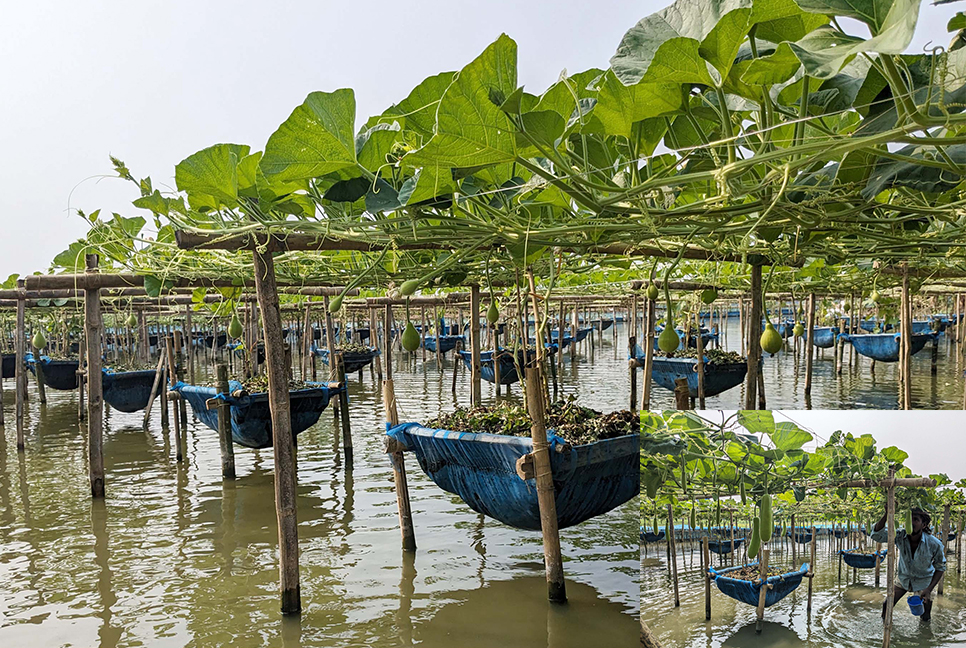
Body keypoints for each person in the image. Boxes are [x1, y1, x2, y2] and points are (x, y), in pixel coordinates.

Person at [870, 506, 946, 622]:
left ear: (924, 525)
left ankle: (924, 636)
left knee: (925, 615)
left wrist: (929, 589)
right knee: (887, 605)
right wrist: (887, 513)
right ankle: (884, 627)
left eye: (915, 519)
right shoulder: (899, 536)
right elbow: (876, 535)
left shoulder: (934, 544)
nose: (911, 522)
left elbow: (940, 567)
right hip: (903, 578)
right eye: (909, 519)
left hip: (924, 581)